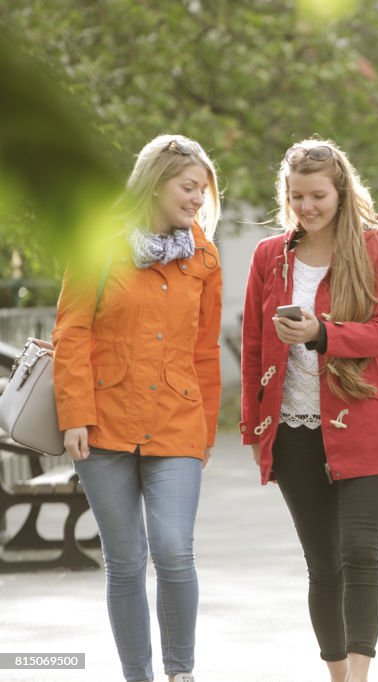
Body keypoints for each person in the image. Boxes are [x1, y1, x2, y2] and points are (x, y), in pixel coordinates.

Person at [52, 134, 222, 682]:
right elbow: (71, 331)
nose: (198, 199)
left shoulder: (204, 256)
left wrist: (206, 432)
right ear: (155, 182)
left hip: (177, 421)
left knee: (174, 550)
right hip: (102, 424)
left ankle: (181, 672)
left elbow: (204, 350)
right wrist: (73, 412)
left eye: (203, 190)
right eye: (188, 186)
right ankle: (138, 676)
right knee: (125, 562)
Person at [240, 139, 378, 682]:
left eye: (318, 195)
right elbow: (251, 345)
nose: (308, 206)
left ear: (341, 192)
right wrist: (252, 426)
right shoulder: (270, 255)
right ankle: (337, 676)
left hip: (366, 423)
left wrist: (322, 334)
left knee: (361, 552)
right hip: (291, 429)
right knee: (322, 564)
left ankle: (359, 677)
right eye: (297, 196)